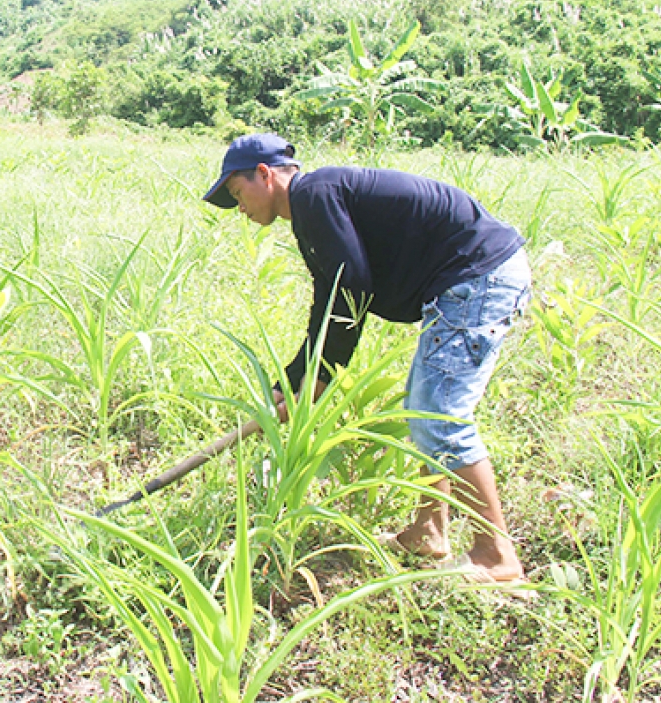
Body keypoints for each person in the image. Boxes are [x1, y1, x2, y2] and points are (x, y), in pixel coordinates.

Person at [202, 133, 531, 584]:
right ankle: (428, 531)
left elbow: (351, 293)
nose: (240, 208)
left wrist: (317, 384)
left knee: (439, 414)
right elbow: (329, 300)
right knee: (424, 406)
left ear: (264, 174)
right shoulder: (313, 206)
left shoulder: (315, 196)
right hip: (467, 281)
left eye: (238, 194)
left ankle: (497, 557)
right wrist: (291, 382)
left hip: (478, 277)